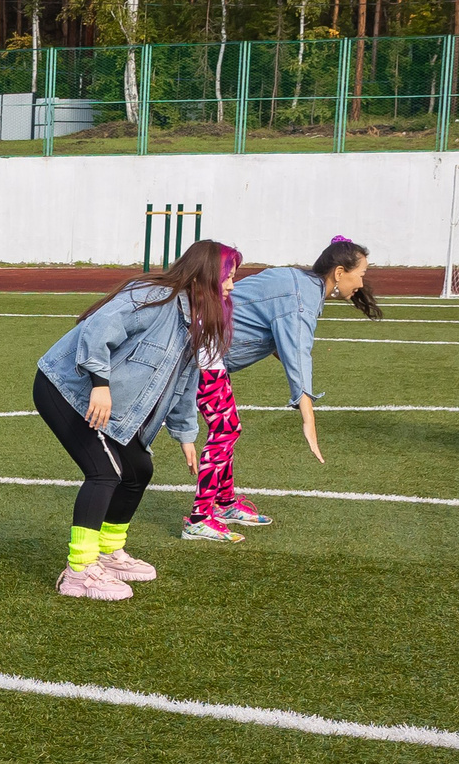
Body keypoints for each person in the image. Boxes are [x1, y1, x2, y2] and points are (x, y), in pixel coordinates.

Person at [33, 240, 230, 600]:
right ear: (206, 278)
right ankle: (79, 571)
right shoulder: (154, 297)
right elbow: (98, 328)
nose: (231, 286)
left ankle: (108, 553)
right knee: (105, 472)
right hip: (66, 388)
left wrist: (185, 434)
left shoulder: (193, 323)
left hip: (104, 404)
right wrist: (100, 384)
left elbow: (184, 384)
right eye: (228, 278)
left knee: (139, 470)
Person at [186, 236, 381, 540]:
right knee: (225, 430)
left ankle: (223, 504)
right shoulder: (302, 297)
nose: (362, 282)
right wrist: (309, 420)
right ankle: (200, 517)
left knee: (229, 428)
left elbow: (273, 332)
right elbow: (297, 354)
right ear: (340, 272)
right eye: (362, 274)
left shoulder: (298, 280)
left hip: (208, 357)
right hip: (201, 358)